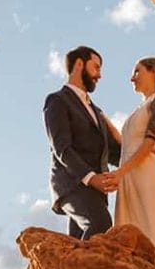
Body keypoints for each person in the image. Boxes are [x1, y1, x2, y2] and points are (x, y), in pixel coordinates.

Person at [43, 46, 121, 239]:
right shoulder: (57, 101)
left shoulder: (97, 111)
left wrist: (145, 157)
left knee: (78, 247)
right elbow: (62, 148)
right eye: (96, 67)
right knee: (101, 225)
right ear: (79, 64)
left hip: (96, 194)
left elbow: (112, 152)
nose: (99, 75)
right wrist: (92, 178)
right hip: (72, 185)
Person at [113, 56, 155, 269]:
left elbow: (148, 143)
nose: (132, 78)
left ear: (153, 72)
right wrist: (100, 117)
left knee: (151, 235)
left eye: (137, 71)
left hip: (146, 178)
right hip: (130, 177)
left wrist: (120, 173)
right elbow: (127, 142)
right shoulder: (139, 109)